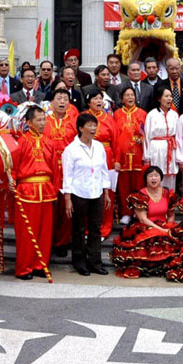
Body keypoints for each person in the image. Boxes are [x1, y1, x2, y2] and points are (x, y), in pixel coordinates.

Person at [10, 106, 56, 280]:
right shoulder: (20, 142)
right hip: (27, 191)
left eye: (44, 119)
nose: (43, 123)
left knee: (45, 232)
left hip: (46, 190)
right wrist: (12, 182)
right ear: (29, 123)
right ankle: (24, 267)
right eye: (39, 120)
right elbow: (13, 165)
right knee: (26, 233)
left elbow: (54, 168)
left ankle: (40, 265)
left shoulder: (49, 142)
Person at [62, 113, 111, 276]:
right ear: (81, 128)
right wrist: (68, 198)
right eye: (89, 125)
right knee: (79, 229)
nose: (93, 128)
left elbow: (104, 170)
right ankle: (79, 261)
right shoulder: (71, 149)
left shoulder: (99, 147)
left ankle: (95, 262)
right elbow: (67, 175)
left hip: (96, 192)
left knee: (95, 228)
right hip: (78, 193)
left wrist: (106, 192)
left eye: (94, 125)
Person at [110, 166, 179, 278]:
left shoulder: (167, 193)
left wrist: (169, 227)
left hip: (163, 224)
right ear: (145, 179)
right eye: (150, 175)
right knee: (152, 238)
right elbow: (143, 219)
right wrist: (161, 230)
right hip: (144, 225)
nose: (153, 178)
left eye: (156, 175)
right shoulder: (140, 195)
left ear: (161, 178)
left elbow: (171, 215)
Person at [43, 88, 78, 253]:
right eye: (59, 98)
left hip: (68, 169)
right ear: (51, 102)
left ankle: (62, 242)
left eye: (65, 99)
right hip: (48, 168)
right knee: (50, 206)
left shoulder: (74, 121)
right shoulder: (43, 120)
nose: (62, 102)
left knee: (66, 206)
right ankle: (47, 240)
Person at [83, 88, 120, 239]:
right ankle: (87, 228)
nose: (99, 101)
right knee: (87, 192)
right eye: (95, 99)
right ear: (88, 101)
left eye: (100, 99)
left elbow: (117, 141)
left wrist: (117, 160)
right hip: (86, 155)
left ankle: (104, 228)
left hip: (106, 156)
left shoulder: (109, 119)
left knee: (107, 192)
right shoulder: (83, 117)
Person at [113, 87, 147, 226]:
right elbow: (115, 136)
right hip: (123, 156)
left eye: (132, 95)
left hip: (138, 155)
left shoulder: (142, 113)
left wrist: (143, 138)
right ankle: (126, 213)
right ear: (122, 98)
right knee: (123, 187)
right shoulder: (116, 114)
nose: (130, 97)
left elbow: (147, 132)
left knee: (139, 185)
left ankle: (138, 212)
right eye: (126, 95)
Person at [143, 87, 180, 191]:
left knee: (171, 175)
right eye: (166, 96)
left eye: (170, 96)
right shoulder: (152, 115)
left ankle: (171, 201)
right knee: (156, 174)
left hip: (171, 148)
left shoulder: (174, 115)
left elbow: (178, 136)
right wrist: (146, 157)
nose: (169, 99)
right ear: (159, 98)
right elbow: (146, 137)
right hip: (156, 149)